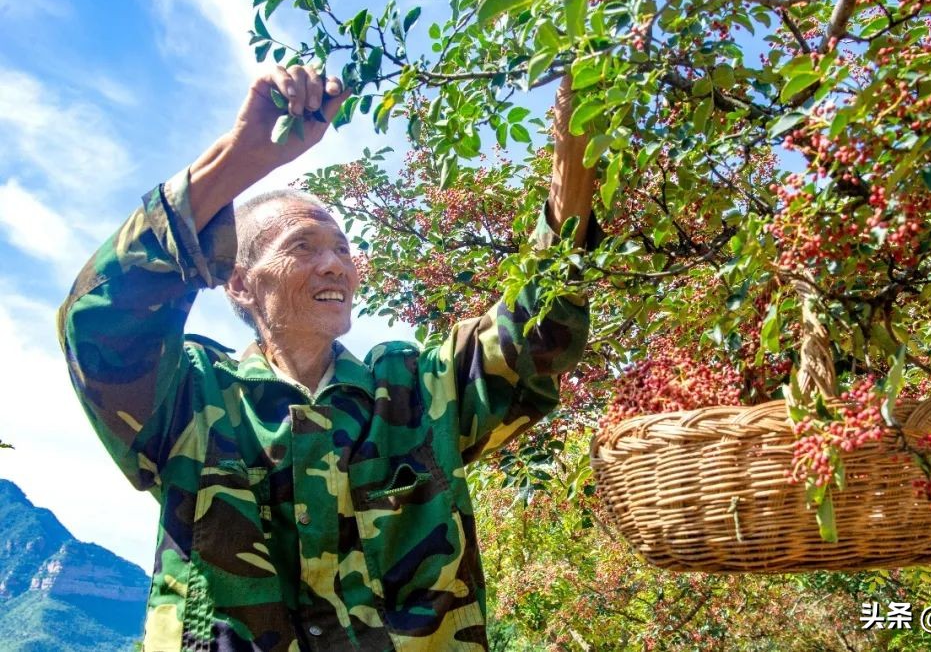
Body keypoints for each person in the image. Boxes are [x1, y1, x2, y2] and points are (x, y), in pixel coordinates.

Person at [58, 64, 596, 652]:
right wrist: (241, 158)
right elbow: (100, 323)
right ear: (239, 283)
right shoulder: (191, 400)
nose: (335, 264)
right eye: (303, 246)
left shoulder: (416, 393)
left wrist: (581, 114)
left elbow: (538, 330)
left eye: (342, 247)